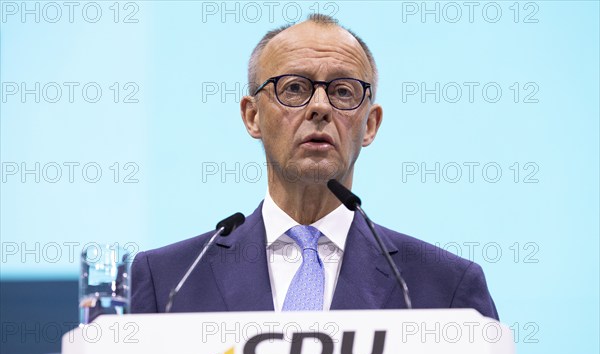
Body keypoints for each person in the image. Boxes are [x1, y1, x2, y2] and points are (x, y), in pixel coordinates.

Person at [131, 14, 498, 319]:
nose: (319, 106)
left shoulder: (444, 290)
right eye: (293, 88)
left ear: (370, 124)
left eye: (342, 91)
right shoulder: (170, 281)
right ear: (252, 116)